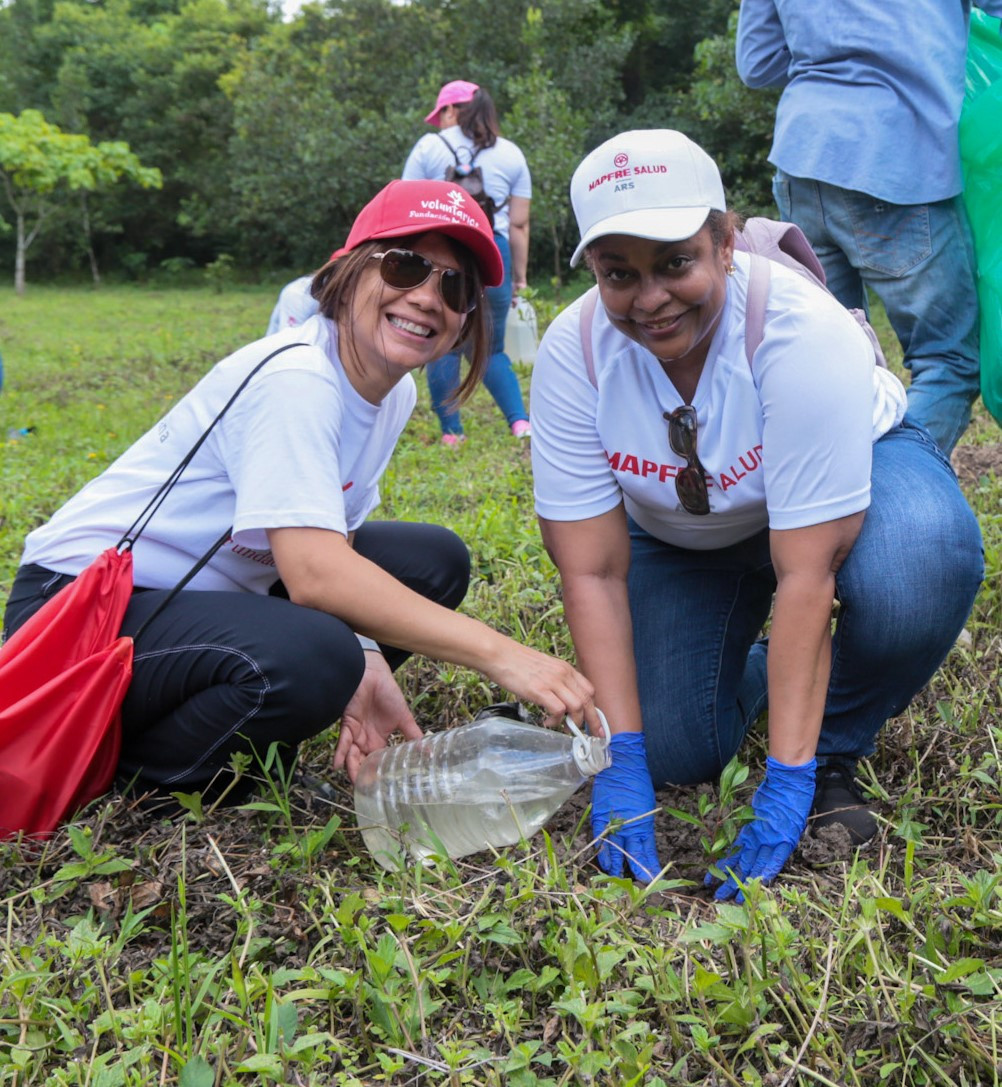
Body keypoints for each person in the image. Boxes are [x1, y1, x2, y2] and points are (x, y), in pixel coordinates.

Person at [3, 179, 599, 807]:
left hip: (212, 594)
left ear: (465, 322)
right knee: (314, 655)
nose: (427, 298)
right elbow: (315, 575)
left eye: (455, 287)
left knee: (432, 561)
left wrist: (368, 655)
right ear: (347, 272)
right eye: (405, 267)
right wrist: (503, 655)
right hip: (80, 609)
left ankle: (259, 706)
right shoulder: (297, 377)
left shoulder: (390, 391)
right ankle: (145, 770)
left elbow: (333, 540)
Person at [529, 130, 984, 895]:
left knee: (919, 559)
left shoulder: (799, 330)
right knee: (674, 746)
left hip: (845, 480)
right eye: (619, 274)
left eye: (675, 262)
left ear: (726, 241)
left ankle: (832, 740)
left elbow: (808, 571)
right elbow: (593, 570)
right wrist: (625, 758)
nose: (650, 299)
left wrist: (788, 780)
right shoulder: (572, 352)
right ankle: (763, 676)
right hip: (688, 529)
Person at [735, 0, 1002, 455]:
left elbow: (758, 63)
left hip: (804, 158)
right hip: (901, 158)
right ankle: (886, 492)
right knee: (948, 362)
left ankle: (818, 501)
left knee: (827, 358)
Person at [403, 81, 532, 445]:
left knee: (441, 342)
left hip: (439, 254)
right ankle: (520, 424)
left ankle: (452, 434)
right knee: (491, 347)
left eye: (439, 115)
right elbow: (520, 224)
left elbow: (405, 207)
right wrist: (519, 277)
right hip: (495, 251)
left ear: (450, 110)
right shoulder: (511, 153)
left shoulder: (429, 147)